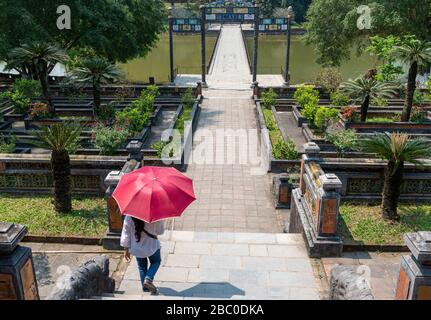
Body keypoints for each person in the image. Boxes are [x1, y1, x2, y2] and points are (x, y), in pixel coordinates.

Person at [120, 216, 165, 295]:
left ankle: (145, 289)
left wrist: (126, 249)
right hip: (152, 247)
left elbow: (125, 233)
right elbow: (160, 231)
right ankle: (148, 279)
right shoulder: (155, 216)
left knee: (142, 267)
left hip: (137, 248)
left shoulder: (129, 217)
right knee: (156, 262)